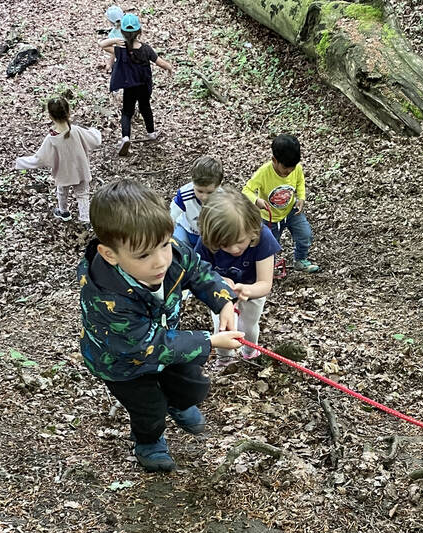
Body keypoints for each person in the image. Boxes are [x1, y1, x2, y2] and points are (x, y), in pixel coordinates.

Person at [78, 180, 244, 471]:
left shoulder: (169, 252)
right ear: (110, 254)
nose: (160, 262)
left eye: (164, 246)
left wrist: (223, 301)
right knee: (149, 407)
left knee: (191, 383)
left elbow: (197, 270)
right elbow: (147, 346)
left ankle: (178, 404)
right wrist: (209, 342)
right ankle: (148, 441)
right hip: (122, 364)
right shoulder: (108, 299)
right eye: (143, 255)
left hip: (168, 341)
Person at [197, 187, 281, 363]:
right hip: (220, 294)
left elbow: (265, 284)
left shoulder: (262, 237)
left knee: (248, 326)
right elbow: (199, 271)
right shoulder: (208, 240)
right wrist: (217, 281)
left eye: (239, 242)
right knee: (222, 328)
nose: (234, 249)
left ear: (251, 229)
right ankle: (224, 360)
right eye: (225, 245)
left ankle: (250, 353)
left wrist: (247, 290)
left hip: (252, 292)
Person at [14, 96, 102, 223]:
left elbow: (39, 159)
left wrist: (20, 162)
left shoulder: (51, 139)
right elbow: (95, 140)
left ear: (50, 116)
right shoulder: (77, 131)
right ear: (68, 112)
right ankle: (85, 218)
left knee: (62, 191)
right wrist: (95, 131)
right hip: (80, 170)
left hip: (63, 173)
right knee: (82, 194)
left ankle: (63, 212)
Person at [242, 133, 319, 273]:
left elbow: (300, 181)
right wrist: (256, 200)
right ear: (274, 160)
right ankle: (267, 268)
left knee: (305, 234)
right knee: (269, 245)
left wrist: (301, 197)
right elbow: (246, 190)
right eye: (285, 169)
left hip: (291, 210)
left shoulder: (296, 168)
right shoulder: (264, 172)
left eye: (292, 168)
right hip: (268, 216)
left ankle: (300, 260)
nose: (289, 172)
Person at [99, 13, 173, 154]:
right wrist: (169, 68)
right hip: (144, 86)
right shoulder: (146, 49)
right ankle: (151, 133)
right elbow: (160, 62)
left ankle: (126, 137)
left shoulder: (121, 49)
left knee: (127, 112)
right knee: (145, 107)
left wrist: (115, 39)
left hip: (129, 86)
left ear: (122, 32)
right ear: (140, 31)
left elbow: (101, 45)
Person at [169, 156, 223, 248]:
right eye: (200, 191)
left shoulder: (223, 198)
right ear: (193, 183)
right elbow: (172, 215)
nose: (204, 197)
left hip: (208, 235)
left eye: (210, 192)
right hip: (186, 230)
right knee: (177, 246)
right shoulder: (185, 195)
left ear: (219, 185)